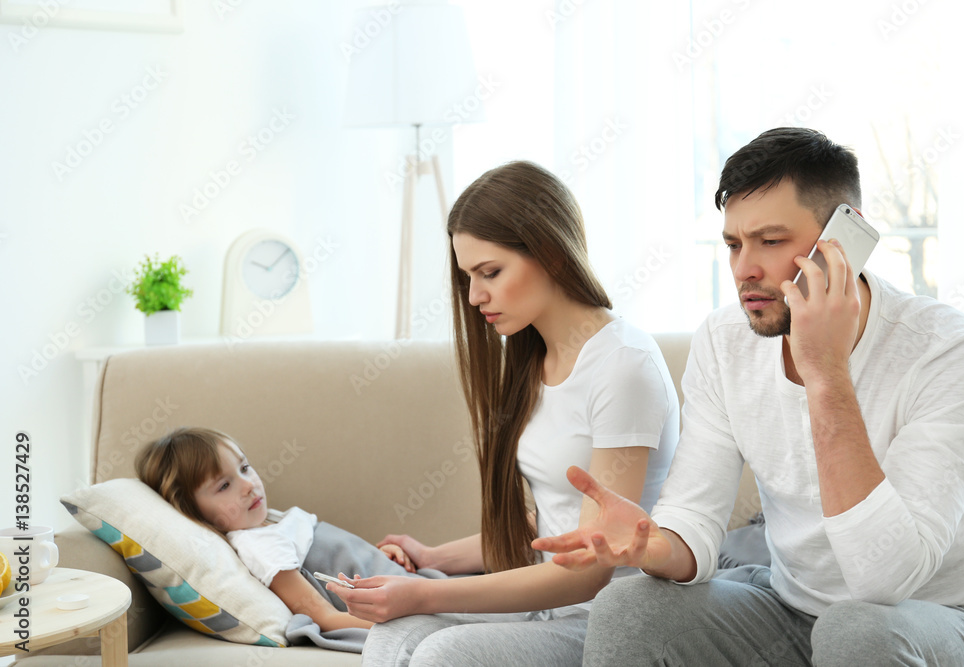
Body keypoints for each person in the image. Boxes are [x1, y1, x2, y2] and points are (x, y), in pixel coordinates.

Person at [534, 127, 964, 665]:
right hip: (793, 608)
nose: (743, 269)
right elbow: (694, 514)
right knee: (630, 608)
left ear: (846, 242)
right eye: (734, 243)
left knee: (857, 630)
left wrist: (825, 373)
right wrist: (650, 545)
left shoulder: (950, 352)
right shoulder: (723, 339)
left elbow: (886, 579)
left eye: (771, 242)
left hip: (942, 617)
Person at [328, 160, 680, 666]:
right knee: (391, 637)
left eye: (490, 272)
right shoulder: (534, 359)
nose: (474, 297)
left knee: (442, 656)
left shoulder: (623, 366)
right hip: (549, 610)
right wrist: (432, 559)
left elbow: (588, 568)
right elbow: (553, 522)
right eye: (468, 276)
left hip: (611, 619)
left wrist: (424, 592)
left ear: (552, 254)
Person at [135, 426, 446, 634]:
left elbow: (334, 559)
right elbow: (323, 615)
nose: (248, 485)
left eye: (244, 468)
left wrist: (378, 561)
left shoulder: (270, 520)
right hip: (404, 612)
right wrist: (408, 625)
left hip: (405, 584)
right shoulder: (260, 546)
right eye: (224, 485)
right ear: (194, 512)